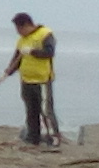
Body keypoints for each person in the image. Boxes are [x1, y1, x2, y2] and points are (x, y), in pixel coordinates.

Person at [9, 13, 60, 146]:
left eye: (19, 29)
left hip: (42, 80)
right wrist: (9, 71)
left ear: (26, 25)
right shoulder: (22, 40)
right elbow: (17, 58)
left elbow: (49, 52)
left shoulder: (45, 34)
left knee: (45, 110)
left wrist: (32, 52)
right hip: (26, 80)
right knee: (31, 110)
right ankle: (34, 137)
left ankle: (53, 137)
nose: (18, 32)